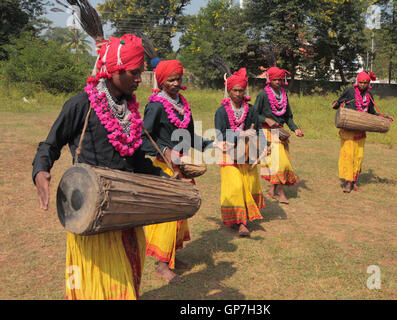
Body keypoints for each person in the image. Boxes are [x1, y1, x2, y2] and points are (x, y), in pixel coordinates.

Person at [32, 34, 164, 299]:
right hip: (91, 210)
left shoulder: (129, 109)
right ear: (114, 70)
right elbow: (49, 145)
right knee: (95, 282)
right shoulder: (80, 105)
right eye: (134, 73)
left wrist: (163, 175)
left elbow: (136, 158)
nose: (139, 79)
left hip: (126, 207)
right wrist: (40, 172)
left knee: (126, 274)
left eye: (141, 73)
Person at [141, 60, 213, 284]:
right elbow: (143, 138)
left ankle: (171, 257)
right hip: (165, 168)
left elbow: (190, 136)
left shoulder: (183, 103)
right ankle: (162, 266)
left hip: (182, 166)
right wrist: (165, 151)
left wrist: (212, 145)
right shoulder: (156, 106)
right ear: (161, 81)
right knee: (168, 217)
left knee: (181, 214)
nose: (175, 83)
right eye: (170, 80)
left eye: (178, 79)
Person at [214, 68, 266, 237]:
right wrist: (239, 134)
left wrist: (264, 147)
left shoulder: (250, 110)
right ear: (228, 91)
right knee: (235, 187)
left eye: (240, 90)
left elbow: (257, 131)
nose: (237, 93)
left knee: (249, 186)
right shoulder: (221, 112)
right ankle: (241, 223)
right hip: (228, 153)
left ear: (245, 91)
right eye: (234, 90)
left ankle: (242, 219)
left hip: (247, 154)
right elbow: (220, 135)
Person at [334, 71, 394, 193]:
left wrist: (383, 116)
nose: (362, 84)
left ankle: (354, 182)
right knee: (349, 156)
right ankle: (348, 182)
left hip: (360, 131)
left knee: (358, 157)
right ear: (357, 82)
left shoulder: (369, 95)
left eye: (365, 83)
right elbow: (339, 102)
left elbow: (371, 112)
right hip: (348, 130)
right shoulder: (349, 91)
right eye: (360, 82)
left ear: (368, 84)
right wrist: (335, 105)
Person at [254, 67, 304, 204]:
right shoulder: (263, 95)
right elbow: (253, 114)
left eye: (279, 79)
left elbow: (288, 116)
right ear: (269, 80)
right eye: (274, 79)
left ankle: (272, 190)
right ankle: (281, 193)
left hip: (281, 134)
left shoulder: (284, 94)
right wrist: (266, 120)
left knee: (279, 163)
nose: (277, 82)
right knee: (281, 163)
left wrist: (295, 129)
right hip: (267, 134)